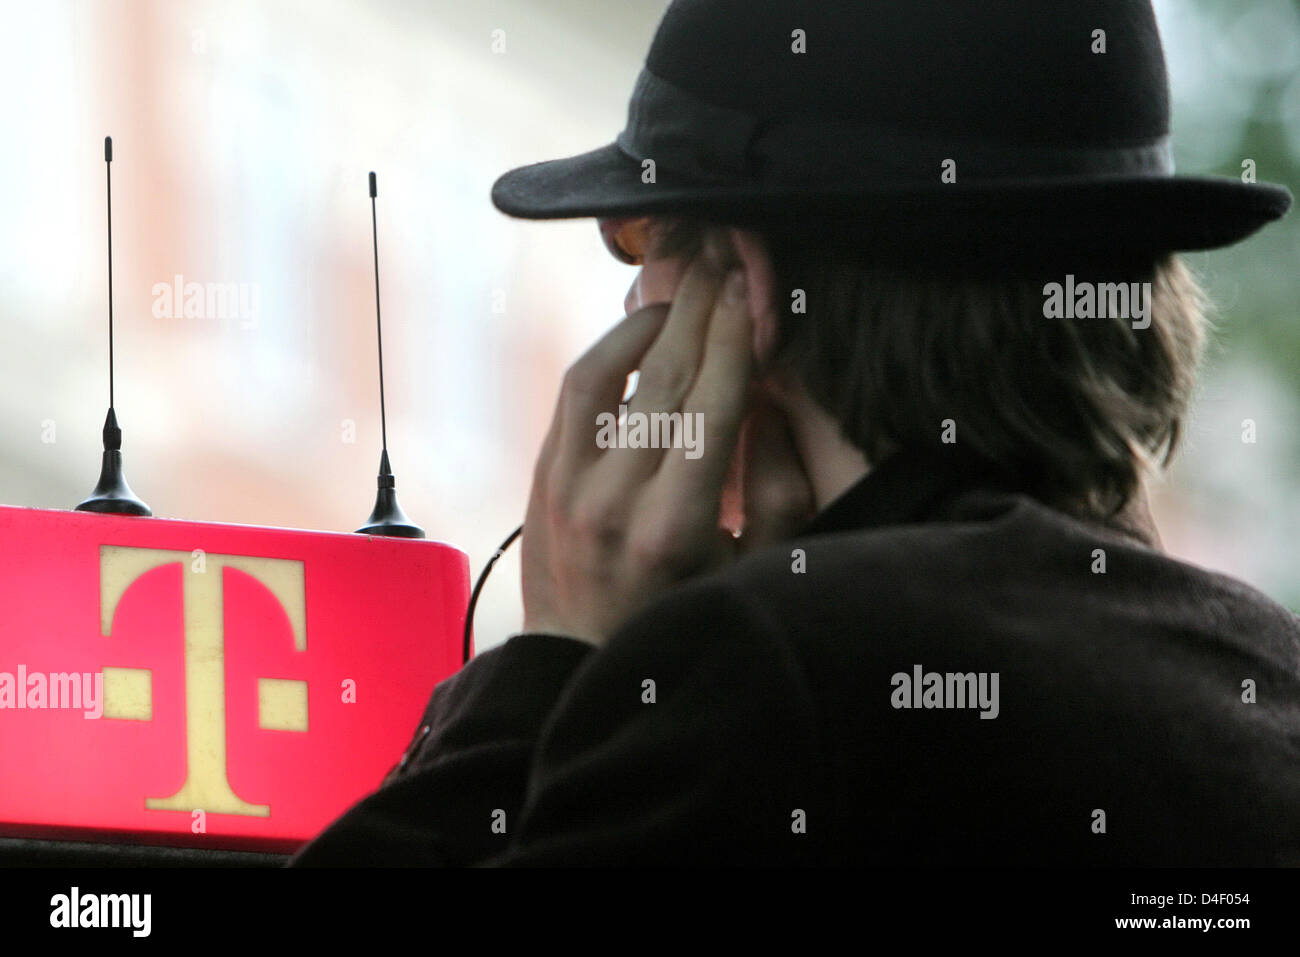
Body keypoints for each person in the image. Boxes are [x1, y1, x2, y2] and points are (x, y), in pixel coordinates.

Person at [291, 0, 1300, 866]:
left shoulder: (760, 673)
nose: (632, 293)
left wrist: (555, 655)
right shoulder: (1262, 666)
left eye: (638, 239)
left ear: (742, 285)